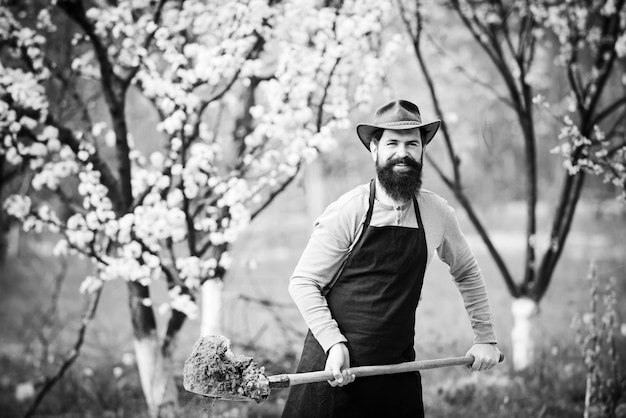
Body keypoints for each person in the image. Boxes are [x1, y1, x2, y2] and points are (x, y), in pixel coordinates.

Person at [281, 99, 501, 418]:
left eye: (412, 143)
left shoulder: (437, 213)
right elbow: (303, 282)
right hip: (333, 370)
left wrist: (485, 338)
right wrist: (334, 343)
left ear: (423, 150)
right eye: (393, 143)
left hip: (396, 373)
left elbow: (466, 272)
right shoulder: (350, 210)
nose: (403, 153)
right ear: (375, 149)